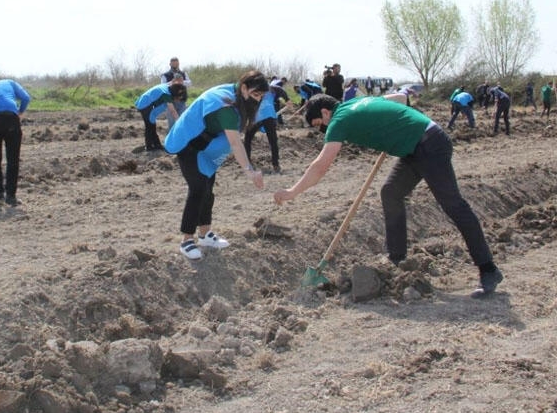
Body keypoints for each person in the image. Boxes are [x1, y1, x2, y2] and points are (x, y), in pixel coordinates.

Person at [273, 93, 503, 297]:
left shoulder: (339, 120)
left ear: (325, 112)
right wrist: (388, 127)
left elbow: (320, 166)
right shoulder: (358, 102)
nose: (321, 129)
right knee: (391, 193)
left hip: (429, 145)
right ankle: (397, 259)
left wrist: (293, 192)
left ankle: (488, 269)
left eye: (319, 124)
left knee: (454, 205)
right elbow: (402, 98)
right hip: (415, 146)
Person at [165, 71, 269, 261]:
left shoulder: (237, 97)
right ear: (244, 87)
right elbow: (236, 143)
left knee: (208, 189)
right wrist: (249, 171)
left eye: (261, 96)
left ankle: (205, 234)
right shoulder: (226, 106)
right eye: (255, 94)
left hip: (205, 147)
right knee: (197, 189)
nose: (258, 100)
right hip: (188, 144)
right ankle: (186, 241)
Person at [135, 82, 186, 151]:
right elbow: (173, 111)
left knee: (152, 125)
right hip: (145, 105)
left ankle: (157, 145)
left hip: (145, 102)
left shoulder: (167, 87)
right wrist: (180, 122)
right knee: (149, 126)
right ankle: (149, 146)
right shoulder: (166, 95)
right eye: (178, 96)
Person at [244, 89, 281, 173]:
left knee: (248, 139)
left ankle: (247, 163)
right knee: (273, 141)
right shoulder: (271, 90)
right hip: (265, 116)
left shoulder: (253, 90)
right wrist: (287, 100)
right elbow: (281, 90)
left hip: (260, 117)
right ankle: (276, 164)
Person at [160, 58, 192, 128]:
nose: (175, 64)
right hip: (170, 102)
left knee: (182, 123)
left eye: (176, 63)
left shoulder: (183, 73)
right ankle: (170, 138)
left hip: (182, 102)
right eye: (173, 63)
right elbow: (162, 86)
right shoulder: (165, 75)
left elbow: (189, 83)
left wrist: (181, 81)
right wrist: (172, 82)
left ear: (179, 63)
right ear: (170, 64)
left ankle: (181, 138)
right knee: (172, 124)